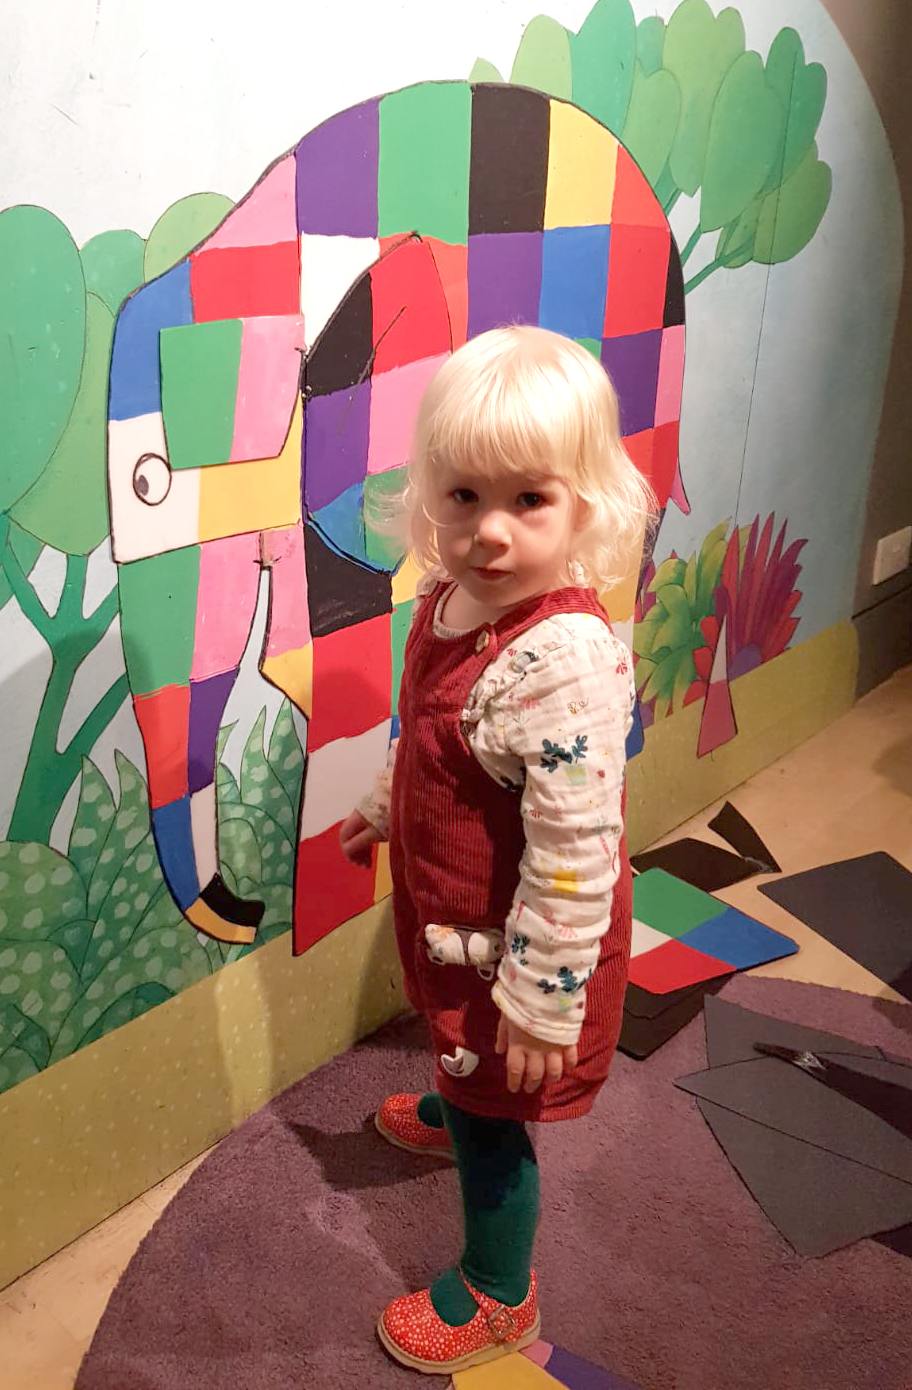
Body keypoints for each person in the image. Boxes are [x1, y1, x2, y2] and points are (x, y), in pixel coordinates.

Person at [338, 325, 653, 1375]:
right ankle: (456, 1082)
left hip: (526, 951)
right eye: (464, 496)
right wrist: (388, 805)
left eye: (530, 501)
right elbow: (428, 737)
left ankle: (496, 1292)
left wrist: (544, 999)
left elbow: (577, 853)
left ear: (585, 506)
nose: (489, 533)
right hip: (455, 924)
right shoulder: (447, 602)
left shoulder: (565, 663)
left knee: (496, 1124)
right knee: (457, 1041)